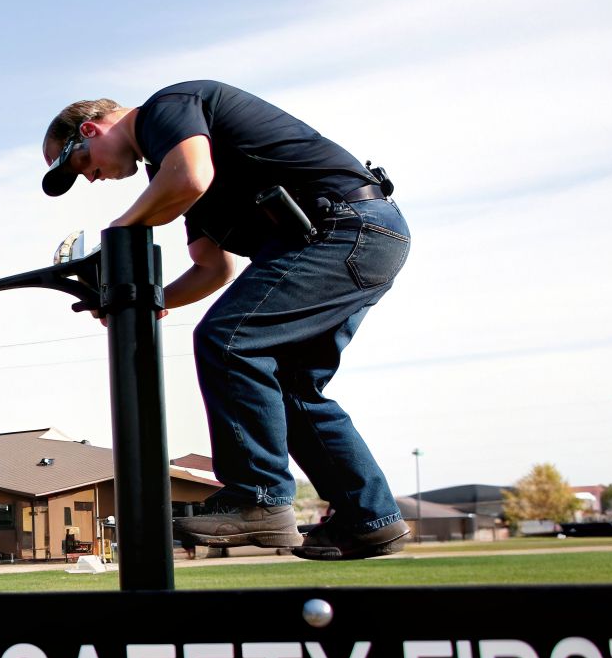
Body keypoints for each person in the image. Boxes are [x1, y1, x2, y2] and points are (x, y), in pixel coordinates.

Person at [41, 81, 412, 560]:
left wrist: (120, 231)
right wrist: (146, 301)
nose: (90, 178)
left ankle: (259, 498)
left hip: (345, 228)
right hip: (353, 240)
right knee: (293, 389)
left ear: (90, 129)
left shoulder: (166, 110)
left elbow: (191, 177)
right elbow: (212, 268)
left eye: (79, 164)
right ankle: (369, 519)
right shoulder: (168, 167)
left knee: (229, 341)